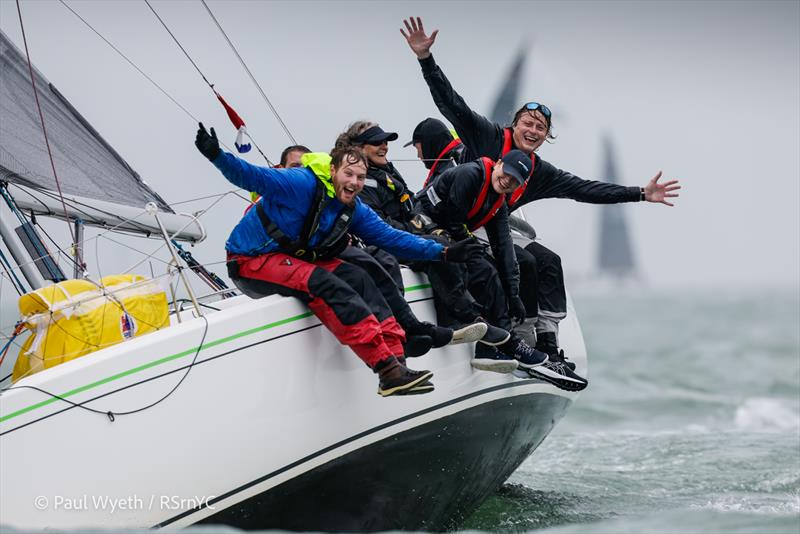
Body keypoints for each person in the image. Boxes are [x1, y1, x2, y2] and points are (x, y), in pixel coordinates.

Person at [400, 16, 680, 370]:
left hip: (495, 224)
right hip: (459, 220)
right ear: (513, 124)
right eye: (527, 123)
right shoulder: (486, 136)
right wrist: (426, 60)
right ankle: (514, 339)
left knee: (549, 261)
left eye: (541, 128)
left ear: (546, 136)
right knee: (525, 262)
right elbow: (450, 103)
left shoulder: (538, 171)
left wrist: (640, 193)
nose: (532, 130)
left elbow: (585, 189)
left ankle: (547, 343)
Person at [194, 123, 483, 397]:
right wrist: (216, 155)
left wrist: (443, 252)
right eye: (349, 174)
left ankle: (397, 362)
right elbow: (251, 176)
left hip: (293, 257)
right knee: (327, 284)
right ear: (333, 170)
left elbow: (392, 238)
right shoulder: (300, 183)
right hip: (251, 260)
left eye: (360, 177)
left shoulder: (353, 208)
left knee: (363, 278)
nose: (355, 182)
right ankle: (383, 368)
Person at [417, 149, 588, 391]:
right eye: (507, 172)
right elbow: (454, 220)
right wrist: (471, 247)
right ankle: (500, 343)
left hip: (451, 236)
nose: (508, 180)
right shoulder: (470, 174)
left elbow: (504, 249)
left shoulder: (498, 202)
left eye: (515, 180)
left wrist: (515, 295)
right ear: (498, 164)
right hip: (422, 227)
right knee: (485, 271)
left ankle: (496, 347)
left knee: (500, 269)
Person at [335, 121, 514, 350]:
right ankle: (464, 318)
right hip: (387, 244)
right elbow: (377, 225)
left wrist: (428, 227)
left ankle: (502, 338)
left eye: (386, 141)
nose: (385, 146)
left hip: (408, 235)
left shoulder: (384, 169)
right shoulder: (359, 179)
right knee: (441, 248)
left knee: (473, 258)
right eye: (377, 142)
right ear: (358, 148)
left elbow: (412, 202)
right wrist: (419, 233)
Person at [404, 117, 464, 187]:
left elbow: (425, 197)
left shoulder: (446, 172)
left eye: (418, 149)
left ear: (428, 146)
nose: (418, 155)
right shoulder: (460, 156)